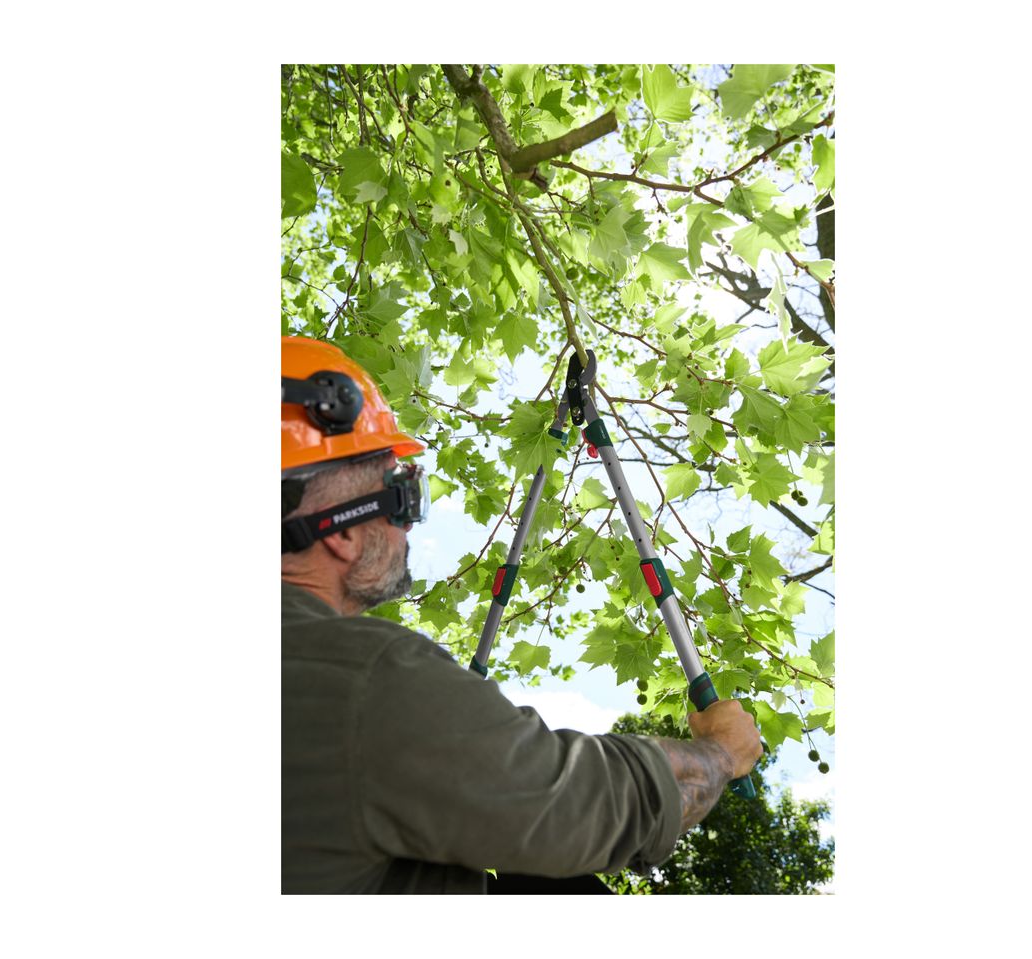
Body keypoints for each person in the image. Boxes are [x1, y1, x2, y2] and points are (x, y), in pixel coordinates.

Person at [280, 336, 763, 894]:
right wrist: (722, 752)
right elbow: (593, 808)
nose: (411, 526)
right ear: (340, 529)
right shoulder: (361, 678)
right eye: (403, 495)